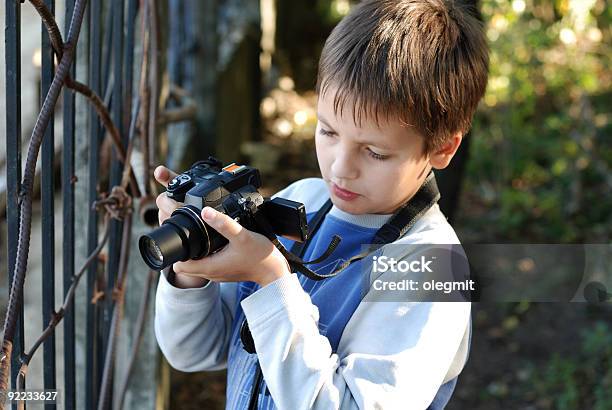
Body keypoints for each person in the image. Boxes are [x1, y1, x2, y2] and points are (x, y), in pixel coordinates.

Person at [154, 0, 488, 408]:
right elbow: (193, 351)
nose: (341, 169)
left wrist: (272, 282)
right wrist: (190, 267)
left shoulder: (433, 270)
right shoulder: (302, 200)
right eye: (328, 131)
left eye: (375, 153)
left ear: (442, 148)